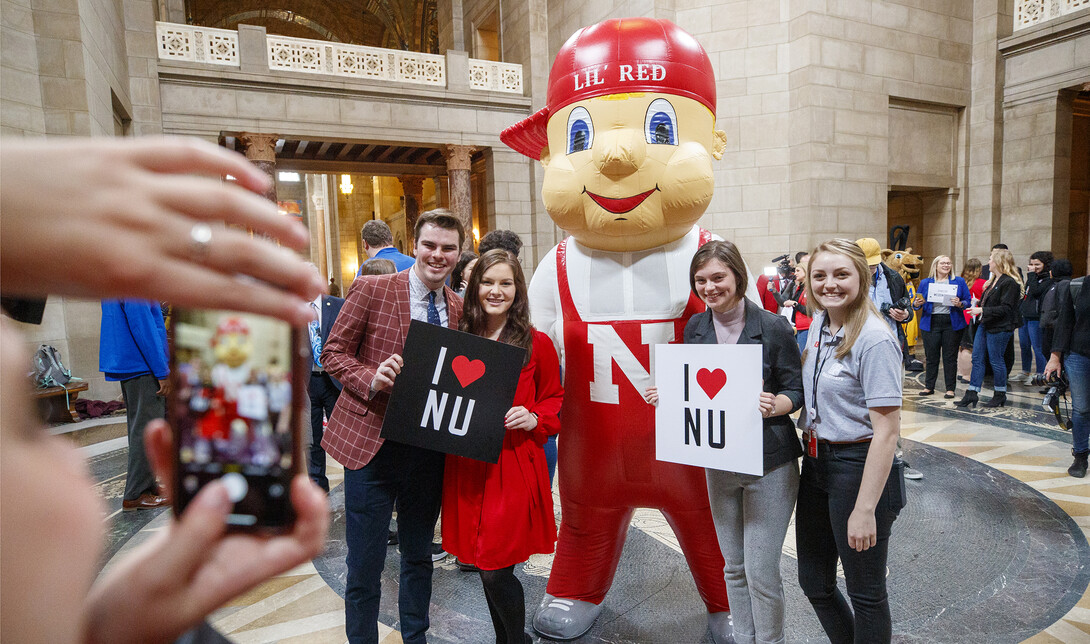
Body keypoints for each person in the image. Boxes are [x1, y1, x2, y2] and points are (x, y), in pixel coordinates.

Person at [0, 136, 328, 644]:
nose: (72, 462)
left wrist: (122, 629)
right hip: (139, 365)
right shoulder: (138, 289)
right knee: (141, 429)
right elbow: (148, 327)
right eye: (21, 431)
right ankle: (138, 490)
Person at [643, 240, 803, 644]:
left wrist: (776, 405)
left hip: (769, 463)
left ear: (737, 276)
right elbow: (696, 384)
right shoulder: (696, 327)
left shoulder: (772, 326)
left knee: (762, 570)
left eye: (718, 277)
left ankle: (770, 641)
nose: (710, 287)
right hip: (720, 461)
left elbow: (796, 391)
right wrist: (671, 394)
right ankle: (743, 638)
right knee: (733, 565)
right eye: (701, 280)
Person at [321, 209, 465, 644]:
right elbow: (332, 352)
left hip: (427, 450)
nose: (438, 255)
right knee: (364, 562)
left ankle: (415, 637)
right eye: (430, 246)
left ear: (458, 254)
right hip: (372, 446)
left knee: (419, 557)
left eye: (448, 248)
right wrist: (370, 376)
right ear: (415, 246)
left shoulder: (458, 307)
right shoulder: (372, 288)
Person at [442, 249, 564, 644]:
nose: (496, 291)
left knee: (496, 567)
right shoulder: (460, 338)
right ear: (475, 287)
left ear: (518, 289)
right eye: (488, 282)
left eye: (505, 283)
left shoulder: (536, 342)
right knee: (481, 562)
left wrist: (534, 417)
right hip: (468, 462)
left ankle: (517, 640)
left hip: (511, 463)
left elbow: (555, 398)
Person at [795, 239, 905, 644]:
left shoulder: (874, 338)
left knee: (867, 595)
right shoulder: (821, 325)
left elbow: (887, 432)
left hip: (859, 468)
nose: (830, 284)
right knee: (815, 582)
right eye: (820, 275)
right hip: (818, 464)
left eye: (841, 274)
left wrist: (865, 509)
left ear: (863, 275)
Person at [99, 299, 171, 510]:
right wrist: (162, 370)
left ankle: (145, 485)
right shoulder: (134, 280)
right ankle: (136, 493)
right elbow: (143, 327)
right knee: (146, 428)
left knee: (140, 425)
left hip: (132, 360)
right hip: (142, 362)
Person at [958, 248, 1024, 409]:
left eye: (991, 259)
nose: (988, 263)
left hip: (1000, 327)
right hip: (986, 324)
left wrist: (982, 310)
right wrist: (980, 304)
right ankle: (972, 392)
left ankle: (1000, 394)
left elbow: (1007, 308)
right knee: (977, 358)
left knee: (996, 360)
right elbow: (992, 302)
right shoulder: (993, 280)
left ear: (999, 262)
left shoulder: (1009, 282)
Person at [1044, 275, 1089, 477]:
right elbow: (1065, 322)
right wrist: (1055, 357)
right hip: (1079, 354)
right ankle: (1080, 456)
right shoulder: (1078, 286)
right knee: (1081, 409)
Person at [306, 265, 346, 492]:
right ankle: (319, 489)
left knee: (342, 435)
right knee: (313, 440)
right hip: (308, 381)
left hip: (334, 381)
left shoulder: (337, 305)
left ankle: (350, 483)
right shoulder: (294, 310)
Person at [912, 256, 970, 399]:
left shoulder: (959, 281)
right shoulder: (926, 282)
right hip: (931, 322)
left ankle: (950, 389)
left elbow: (968, 301)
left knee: (949, 357)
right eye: (943, 263)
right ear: (935, 266)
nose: (946, 265)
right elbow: (915, 304)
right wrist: (918, 303)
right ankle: (929, 386)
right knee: (931, 357)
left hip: (952, 323)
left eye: (948, 263)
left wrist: (960, 303)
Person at [1013, 251, 1054, 383]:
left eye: (1037, 264)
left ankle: (1040, 374)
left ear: (1045, 265)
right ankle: (1025, 371)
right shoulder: (1032, 279)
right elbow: (1027, 293)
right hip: (1025, 315)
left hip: (1036, 317)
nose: (1033, 267)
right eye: (1031, 264)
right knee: (1024, 345)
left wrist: (1031, 274)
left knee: (1038, 347)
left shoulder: (1047, 279)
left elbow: (1036, 292)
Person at [957, 258, 985, 381]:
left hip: (960, 316)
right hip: (973, 318)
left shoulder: (960, 281)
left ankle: (960, 371)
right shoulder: (983, 283)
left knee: (960, 346)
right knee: (969, 347)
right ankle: (967, 375)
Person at [1039, 258, 1074, 359]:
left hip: (1055, 328)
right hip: (1050, 327)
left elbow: (1063, 306)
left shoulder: (1064, 284)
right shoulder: (1054, 283)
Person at [780, 253, 812, 353]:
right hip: (799, 326)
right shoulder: (799, 287)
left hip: (807, 326)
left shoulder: (809, 289)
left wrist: (794, 304)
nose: (795, 273)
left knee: (804, 355)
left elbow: (810, 311)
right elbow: (783, 300)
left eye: (798, 271)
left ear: (806, 272)